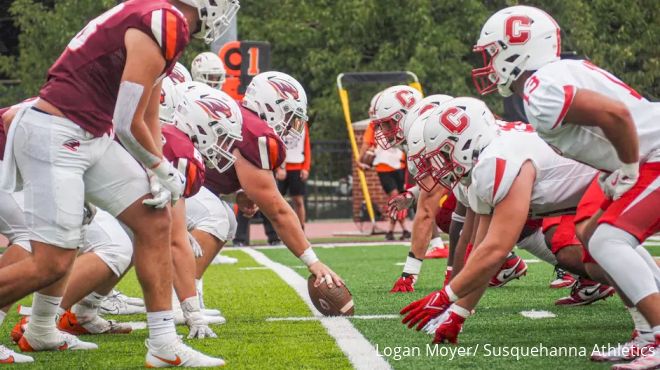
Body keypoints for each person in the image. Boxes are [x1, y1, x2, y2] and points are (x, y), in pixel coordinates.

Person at [0, 0, 239, 366]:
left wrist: (153, 169)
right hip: (57, 133)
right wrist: (160, 167)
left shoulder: (164, 22)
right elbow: (127, 121)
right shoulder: (164, 19)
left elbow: (148, 111)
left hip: (91, 134)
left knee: (154, 219)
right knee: (51, 263)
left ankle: (163, 346)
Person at [473, 6, 660, 368]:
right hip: (648, 151)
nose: (490, 63)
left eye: (493, 52)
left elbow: (616, 115)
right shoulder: (552, 78)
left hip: (654, 153)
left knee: (609, 239)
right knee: (591, 234)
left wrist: (626, 165)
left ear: (518, 47)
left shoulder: (541, 88)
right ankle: (647, 333)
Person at [399, 98, 600, 344]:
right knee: (609, 255)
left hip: (616, 172)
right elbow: (481, 248)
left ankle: (649, 331)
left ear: (462, 142)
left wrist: (446, 296)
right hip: (599, 182)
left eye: (440, 155)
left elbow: (495, 249)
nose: (437, 167)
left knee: (604, 253)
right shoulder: (486, 155)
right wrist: (458, 314)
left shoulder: (494, 160)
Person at [204, 71, 344, 288]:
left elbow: (208, 172)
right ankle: (180, 302)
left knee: (224, 219)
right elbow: (277, 211)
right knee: (217, 219)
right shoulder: (256, 132)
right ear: (270, 106)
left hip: (175, 180)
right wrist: (313, 262)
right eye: (288, 115)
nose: (289, 125)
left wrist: (238, 195)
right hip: (169, 181)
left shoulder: (241, 116)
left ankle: (184, 298)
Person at [360, 86, 420, 241]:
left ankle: (393, 230)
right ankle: (402, 229)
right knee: (395, 197)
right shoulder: (374, 125)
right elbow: (367, 145)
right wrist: (362, 159)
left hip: (400, 164)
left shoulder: (403, 124)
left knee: (400, 198)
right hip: (384, 166)